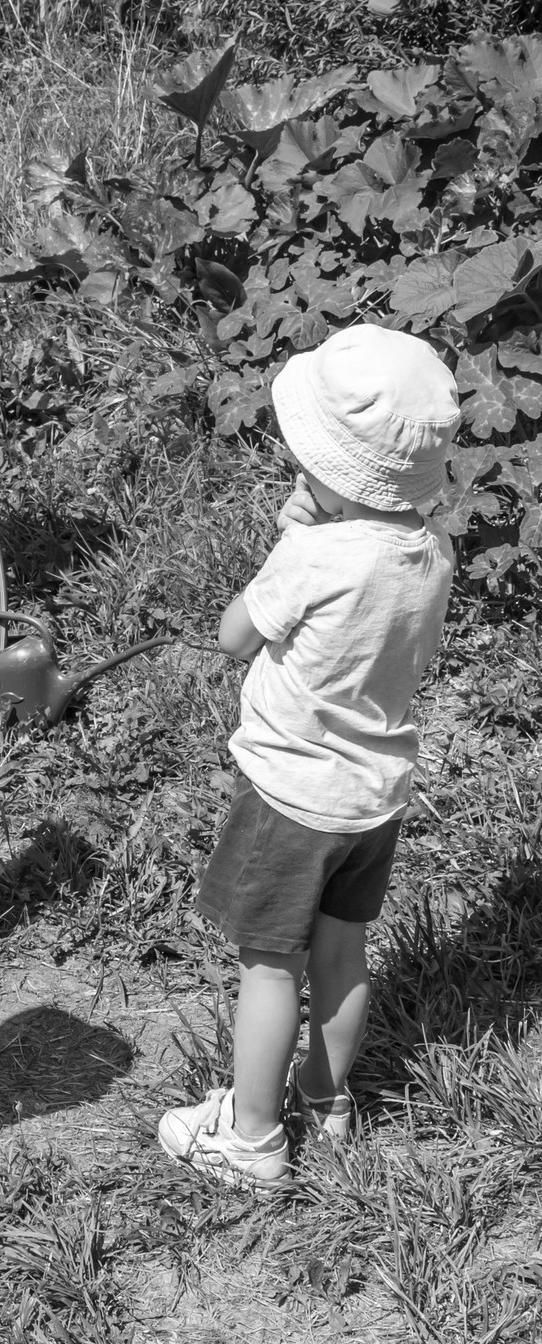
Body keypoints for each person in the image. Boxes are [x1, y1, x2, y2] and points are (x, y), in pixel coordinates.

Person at [158, 325, 459, 1186]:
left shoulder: (314, 552)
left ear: (334, 469)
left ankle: (252, 1138)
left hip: (292, 795)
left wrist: (292, 541)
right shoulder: (434, 553)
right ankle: (327, 1103)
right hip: (375, 794)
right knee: (340, 954)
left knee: (267, 967)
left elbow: (230, 637)